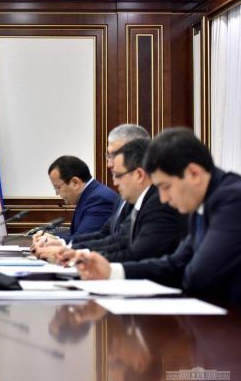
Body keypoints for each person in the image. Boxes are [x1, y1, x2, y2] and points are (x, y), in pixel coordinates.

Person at [72, 128, 241, 306]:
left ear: (194, 173)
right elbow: (175, 263)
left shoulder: (233, 200)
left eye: (166, 186)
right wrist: (111, 271)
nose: (163, 198)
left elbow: (198, 276)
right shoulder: (200, 200)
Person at [38, 139, 186, 263]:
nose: (114, 182)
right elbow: (116, 238)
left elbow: (138, 254)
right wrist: (68, 247)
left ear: (139, 174)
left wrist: (80, 256)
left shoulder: (157, 203)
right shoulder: (131, 199)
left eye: (118, 175)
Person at [45, 155, 118, 241]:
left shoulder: (99, 200)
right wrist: (50, 236)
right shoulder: (90, 195)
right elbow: (77, 233)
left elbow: (83, 239)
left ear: (75, 183)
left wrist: (50, 240)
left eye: (58, 187)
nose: (57, 193)